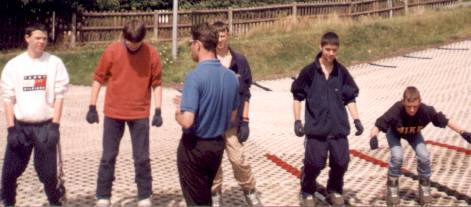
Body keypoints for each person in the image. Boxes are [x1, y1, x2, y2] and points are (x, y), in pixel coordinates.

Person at [85, 19, 163, 207]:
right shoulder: (112, 51)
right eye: (129, 41)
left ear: (142, 39)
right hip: (114, 112)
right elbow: (98, 78)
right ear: (124, 37)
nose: (132, 45)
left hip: (139, 113)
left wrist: (158, 110)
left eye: (136, 42)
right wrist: (92, 106)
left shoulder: (151, 54)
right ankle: (103, 195)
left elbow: (157, 83)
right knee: (108, 156)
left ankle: (144, 195)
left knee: (142, 157)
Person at [291, 32, 364, 206]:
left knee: (341, 162)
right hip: (316, 129)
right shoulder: (309, 72)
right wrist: (297, 121)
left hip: (338, 128)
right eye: (328, 49)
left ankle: (334, 189)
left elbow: (350, 98)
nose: (331, 53)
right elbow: (297, 97)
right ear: (321, 47)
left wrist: (356, 120)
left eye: (334, 50)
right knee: (315, 163)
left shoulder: (341, 72)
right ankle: (307, 190)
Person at [0, 23, 69, 206]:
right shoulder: (14, 66)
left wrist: (55, 126)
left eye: (45, 39)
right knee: (9, 173)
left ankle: (55, 201)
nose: (41, 42)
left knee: (48, 175)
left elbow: (59, 96)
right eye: (38, 38)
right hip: (21, 127)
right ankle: (8, 202)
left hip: (45, 127)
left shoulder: (54, 64)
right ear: (27, 38)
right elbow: (8, 98)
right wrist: (11, 128)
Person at [369, 86, 471, 205]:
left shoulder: (425, 111)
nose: (412, 110)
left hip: (414, 133)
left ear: (420, 102)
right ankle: (392, 187)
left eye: (415, 106)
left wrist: (463, 133)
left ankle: (424, 187)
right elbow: (378, 124)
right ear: (403, 102)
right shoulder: (396, 110)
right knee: (397, 156)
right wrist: (373, 137)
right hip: (394, 133)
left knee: (424, 156)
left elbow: (446, 121)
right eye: (408, 106)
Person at [174, 22, 240, 206]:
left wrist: (178, 113)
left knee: (196, 201)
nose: (191, 49)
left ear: (198, 45)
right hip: (217, 147)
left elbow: (187, 122)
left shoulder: (194, 77)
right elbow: (232, 117)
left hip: (194, 147)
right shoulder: (231, 77)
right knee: (205, 197)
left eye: (191, 45)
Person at [210, 21, 261, 206]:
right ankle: (215, 194)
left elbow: (246, 93)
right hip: (212, 123)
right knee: (214, 162)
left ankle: (249, 190)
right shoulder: (208, 60)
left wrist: (245, 121)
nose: (220, 40)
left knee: (238, 160)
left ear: (228, 35)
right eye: (217, 36)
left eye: (223, 35)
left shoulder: (240, 61)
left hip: (233, 123)